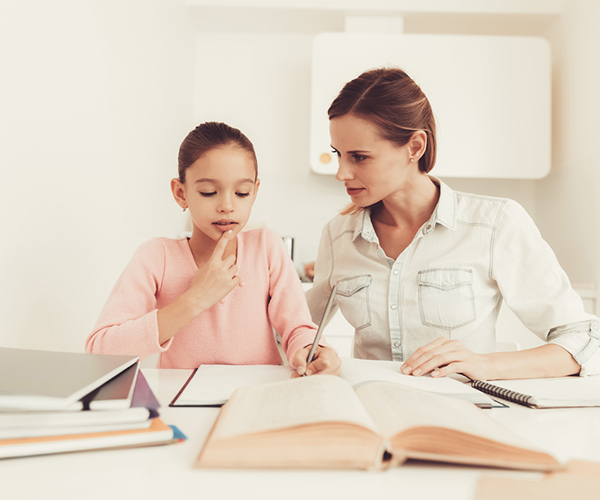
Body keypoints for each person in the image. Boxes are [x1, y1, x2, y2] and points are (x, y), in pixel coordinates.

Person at [306, 67, 600, 381]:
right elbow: (292, 331)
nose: (341, 173)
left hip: (461, 414)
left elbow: (583, 339)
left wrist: (486, 365)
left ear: (415, 147)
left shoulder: (494, 224)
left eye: (359, 157)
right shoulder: (339, 235)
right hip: (371, 411)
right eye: (338, 154)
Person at [86, 121, 341, 377]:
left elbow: (298, 328)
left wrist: (311, 349)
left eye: (242, 193)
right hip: (180, 402)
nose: (227, 206)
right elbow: (100, 351)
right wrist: (195, 299)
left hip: (257, 396)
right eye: (209, 192)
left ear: (255, 192)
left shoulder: (266, 247)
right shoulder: (156, 256)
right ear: (180, 193)